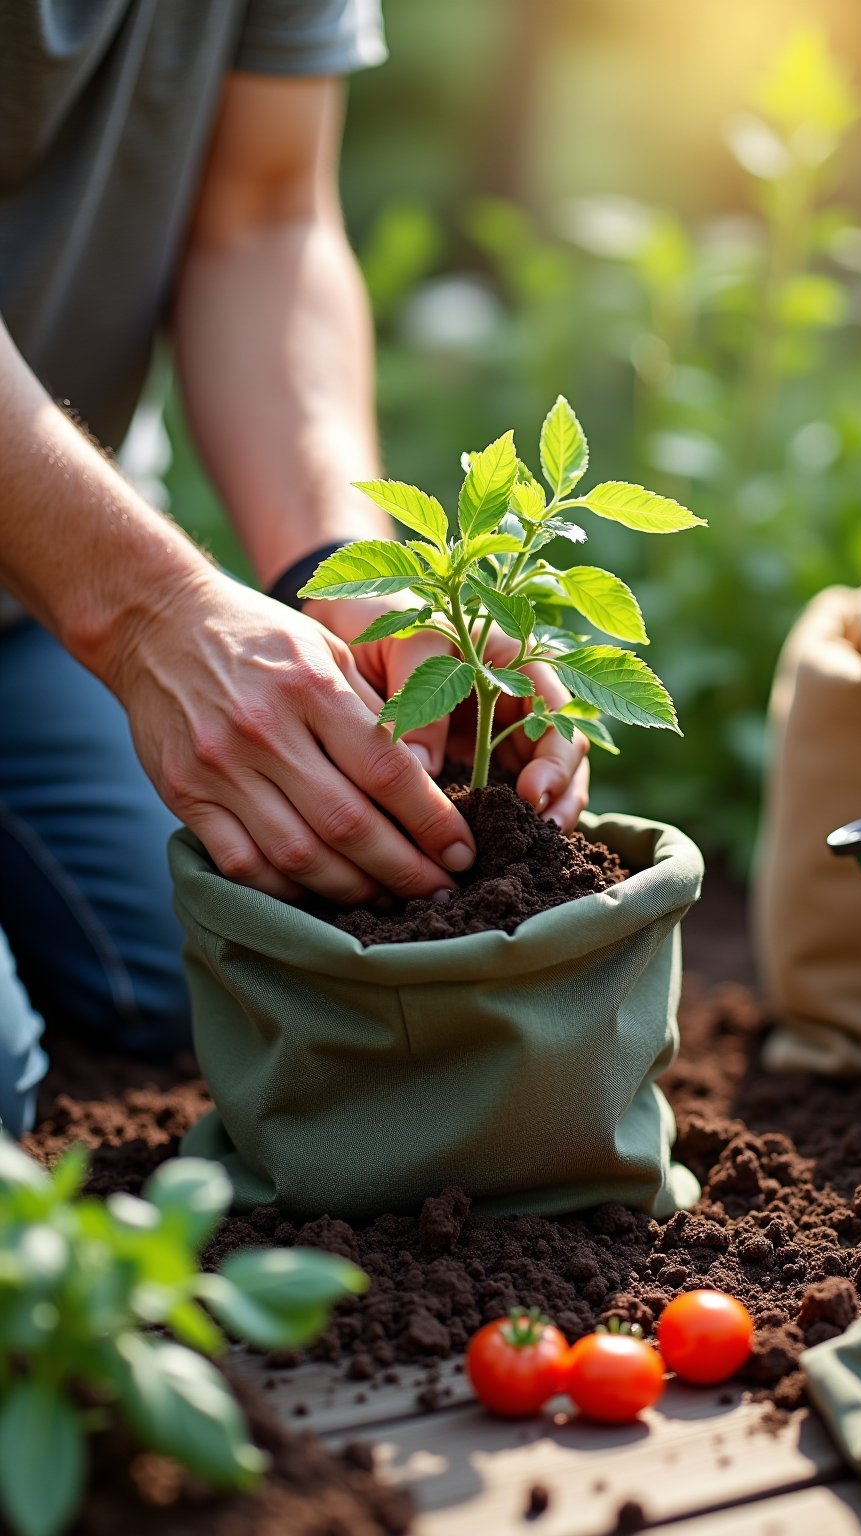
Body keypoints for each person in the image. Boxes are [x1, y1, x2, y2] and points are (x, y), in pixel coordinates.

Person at [0, 1, 588, 1136]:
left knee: (255, 959)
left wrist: (342, 567)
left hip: (22, 610)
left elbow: (265, 215)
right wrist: (147, 612)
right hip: (73, 586)